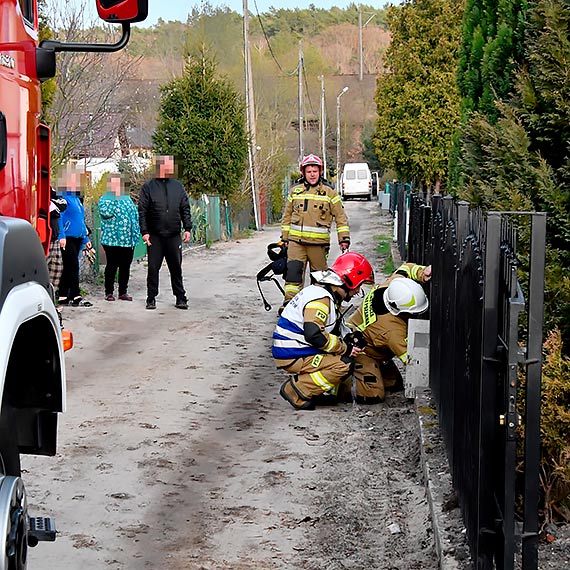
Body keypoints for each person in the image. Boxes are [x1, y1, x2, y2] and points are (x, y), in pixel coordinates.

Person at [273, 252, 374, 410]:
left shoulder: (324, 293)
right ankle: (297, 390)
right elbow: (314, 334)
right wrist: (345, 348)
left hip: (294, 349)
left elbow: (328, 328)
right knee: (343, 364)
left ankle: (320, 392)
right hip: (293, 353)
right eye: (358, 285)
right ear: (349, 280)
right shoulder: (322, 298)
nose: (357, 292)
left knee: (340, 355)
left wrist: (348, 337)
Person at [343, 262, 432, 403]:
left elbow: (406, 268)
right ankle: (344, 375)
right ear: (400, 311)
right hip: (360, 350)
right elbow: (413, 360)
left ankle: (371, 367)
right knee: (372, 395)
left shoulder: (392, 286)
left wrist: (423, 272)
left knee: (393, 383)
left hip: (358, 335)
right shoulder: (392, 332)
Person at [279, 154, 350, 313]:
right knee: (293, 276)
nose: (312, 174)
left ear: (320, 172)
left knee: (320, 279)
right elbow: (287, 217)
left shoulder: (330, 193)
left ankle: (316, 309)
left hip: (318, 245)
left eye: (315, 171)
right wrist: (285, 239)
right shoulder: (295, 192)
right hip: (296, 243)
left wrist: (343, 238)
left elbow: (340, 217)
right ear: (303, 172)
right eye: (309, 171)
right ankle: (289, 306)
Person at [138, 155, 192, 310]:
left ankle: (180, 297)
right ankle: (151, 298)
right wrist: (145, 231)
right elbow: (142, 210)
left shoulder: (178, 186)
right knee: (153, 268)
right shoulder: (149, 187)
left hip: (174, 234)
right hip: (155, 235)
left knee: (176, 267)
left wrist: (187, 228)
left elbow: (185, 208)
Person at [98, 173, 140, 302]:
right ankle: (109, 292)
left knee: (125, 266)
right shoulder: (105, 199)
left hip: (127, 240)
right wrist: (114, 198)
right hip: (112, 240)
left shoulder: (127, 199)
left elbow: (134, 216)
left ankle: (123, 292)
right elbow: (106, 213)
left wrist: (136, 233)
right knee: (112, 265)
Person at [57, 165, 93, 307]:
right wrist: (61, 235)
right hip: (68, 237)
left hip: (78, 237)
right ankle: (76, 295)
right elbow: (58, 217)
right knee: (72, 266)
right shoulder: (62, 197)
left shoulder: (77, 199)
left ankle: (63, 295)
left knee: (69, 267)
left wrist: (86, 238)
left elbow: (81, 220)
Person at [47, 186, 67, 294]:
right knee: (43, 271)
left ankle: (52, 299)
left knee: (57, 268)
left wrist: (52, 207)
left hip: (54, 238)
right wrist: (52, 208)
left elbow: (63, 204)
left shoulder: (50, 189)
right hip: (43, 239)